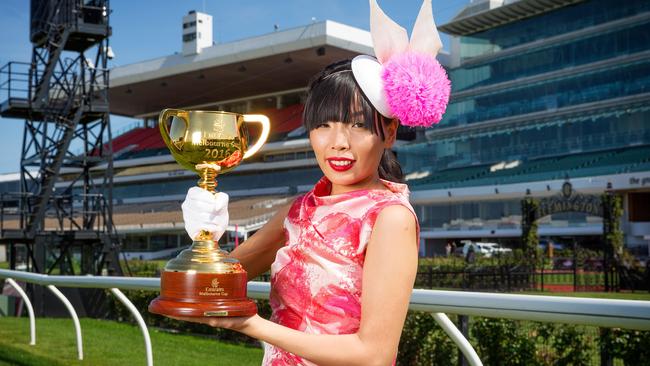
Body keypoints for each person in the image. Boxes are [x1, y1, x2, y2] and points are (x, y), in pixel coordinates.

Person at [173, 1, 450, 364]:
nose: (338, 141)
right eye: (323, 125)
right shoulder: (300, 210)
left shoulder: (390, 218)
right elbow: (214, 286)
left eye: (358, 124)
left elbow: (374, 355)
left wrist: (252, 325)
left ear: (390, 132)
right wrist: (203, 234)